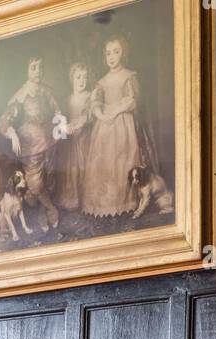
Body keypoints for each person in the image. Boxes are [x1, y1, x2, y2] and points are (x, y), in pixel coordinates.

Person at [81, 35, 148, 219]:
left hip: (123, 124)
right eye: (108, 53)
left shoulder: (129, 76)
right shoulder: (101, 81)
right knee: (104, 161)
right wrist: (101, 114)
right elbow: (95, 101)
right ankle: (104, 204)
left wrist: (117, 110)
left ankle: (124, 201)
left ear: (123, 53)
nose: (111, 57)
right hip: (105, 126)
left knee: (122, 160)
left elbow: (133, 100)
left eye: (116, 52)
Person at [0, 55, 59, 232]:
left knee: (50, 178)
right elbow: (4, 120)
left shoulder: (47, 91)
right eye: (33, 67)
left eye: (40, 67)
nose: (37, 71)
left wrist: (58, 119)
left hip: (50, 139)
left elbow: (57, 109)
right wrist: (12, 133)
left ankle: (42, 210)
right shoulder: (21, 95)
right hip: (30, 144)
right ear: (26, 70)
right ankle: (50, 208)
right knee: (35, 183)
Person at [55, 61, 93, 213]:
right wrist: (65, 127)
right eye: (78, 77)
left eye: (84, 77)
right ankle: (74, 199)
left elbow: (87, 116)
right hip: (71, 139)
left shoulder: (89, 96)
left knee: (85, 167)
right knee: (72, 169)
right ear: (72, 79)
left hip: (85, 137)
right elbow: (61, 117)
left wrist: (77, 125)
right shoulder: (67, 99)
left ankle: (88, 200)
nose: (82, 81)